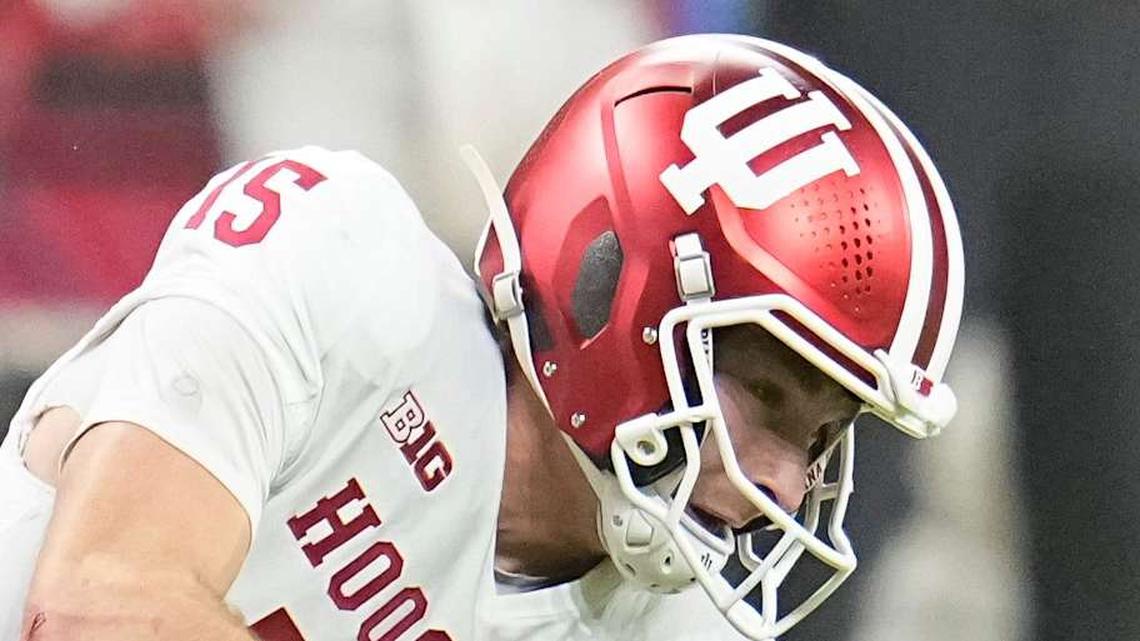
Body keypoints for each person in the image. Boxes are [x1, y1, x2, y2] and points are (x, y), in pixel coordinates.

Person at [0, 34, 963, 641]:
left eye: (822, 437)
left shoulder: (678, 621)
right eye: (767, 398)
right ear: (609, 292)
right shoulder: (342, 259)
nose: (788, 487)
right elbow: (95, 606)